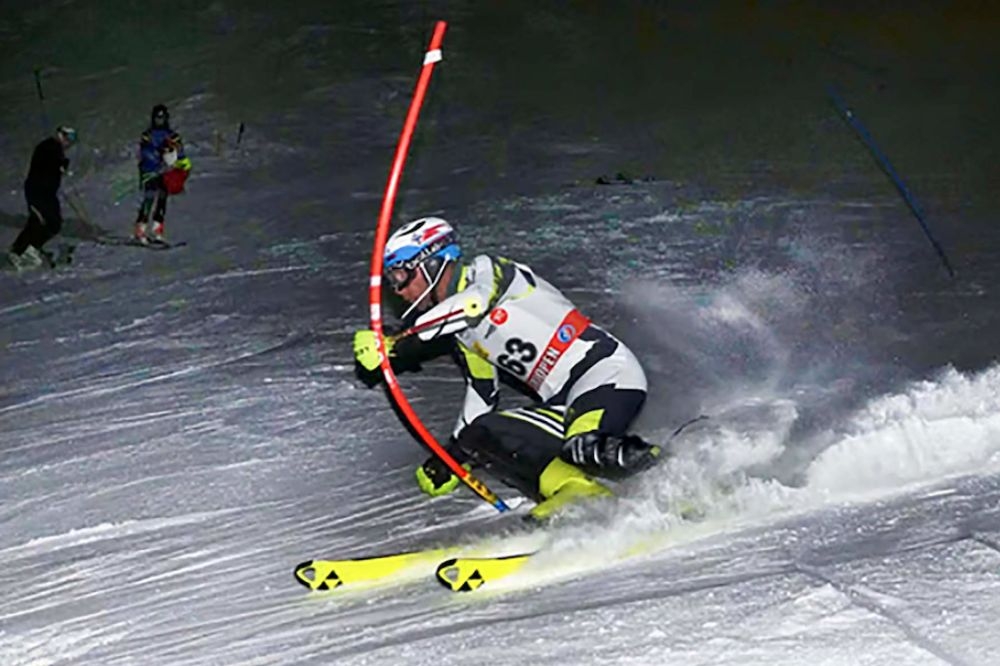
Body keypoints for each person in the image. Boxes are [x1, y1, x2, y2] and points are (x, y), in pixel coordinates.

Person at [353, 217, 662, 520]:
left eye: (400, 276)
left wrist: (398, 343)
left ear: (431, 264)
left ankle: (680, 471)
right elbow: (482, 393)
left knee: (582, 446)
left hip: (605, 373)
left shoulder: (489, 271)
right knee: (480, 434)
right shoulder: (461, 333)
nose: (398, 289)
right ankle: (574, 490)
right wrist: (453, 458)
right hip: (561, 403)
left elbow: (474, 303)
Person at [7, 125, 76, 270]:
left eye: (72, 139)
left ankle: (26, 249)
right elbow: (46, 162)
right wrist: (59, 164)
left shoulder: (56, 149)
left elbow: (53, 167)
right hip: (37, 191)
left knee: (51, 222)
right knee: (42, 221)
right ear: (60, 135)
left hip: (48, 192)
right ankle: (23, 250)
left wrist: (61, 166)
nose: (70, 142)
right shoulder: (48, 147)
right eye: (68, 137)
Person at [134, 103, 191, 243]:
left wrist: (180, 164)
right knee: (149, 199)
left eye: (162, 118)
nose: (160, 121)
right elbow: (145, 152)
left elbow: (179, 152)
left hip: (166, 173)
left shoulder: (172, 136)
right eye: (157, 119)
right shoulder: (147, 135)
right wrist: (159, 155)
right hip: (150, 172)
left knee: (162, 200)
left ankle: (157, 229)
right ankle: (141, 229)